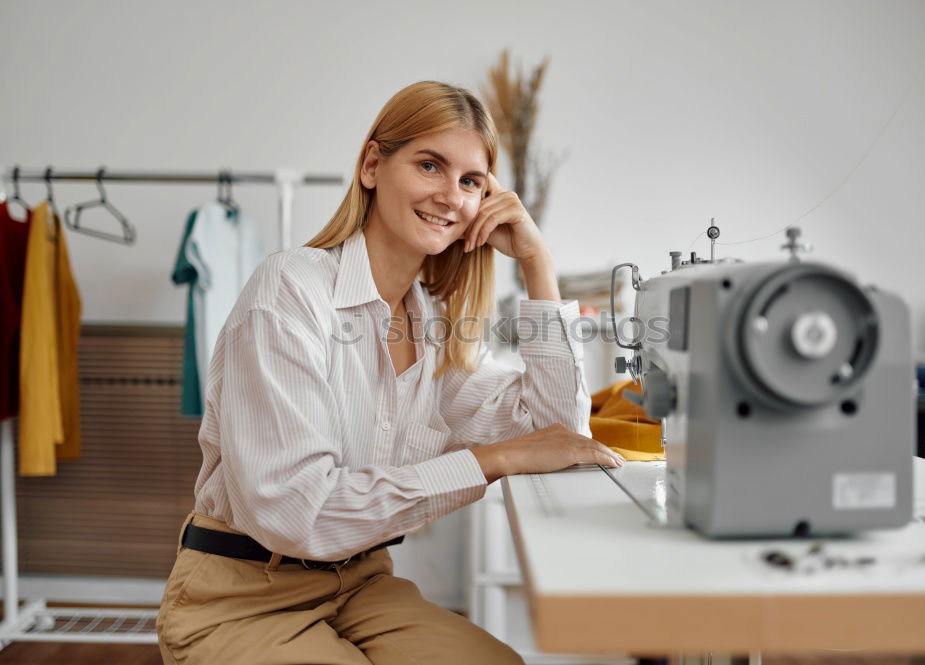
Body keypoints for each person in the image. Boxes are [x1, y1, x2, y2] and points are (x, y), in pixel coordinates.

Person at [156, 80, 626, 665]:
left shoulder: (431, 328)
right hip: (243, 591)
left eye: (471, 181)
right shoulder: (291, 289)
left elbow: (559, 431)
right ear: (373, 165)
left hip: (359, 582)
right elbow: (298, 512)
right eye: (430, 165)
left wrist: (538, 263)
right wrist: (493, 459)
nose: (451, 197)